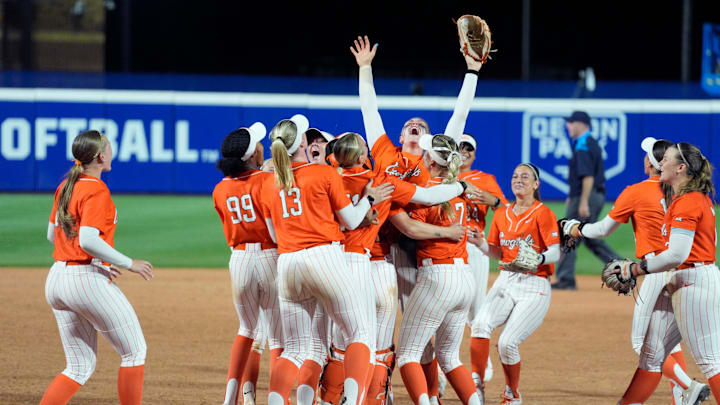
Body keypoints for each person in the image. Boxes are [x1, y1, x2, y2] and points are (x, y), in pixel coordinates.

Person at [352, 34, 482, 402]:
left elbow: (460, 117)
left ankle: (429, 394)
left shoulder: (433, 162)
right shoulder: (384, 153)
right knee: (384, 329)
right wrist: (365, 70)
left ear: (428, 140)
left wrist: (471, 72)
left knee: (419, 339)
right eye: (410, 123)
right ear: (401, 135)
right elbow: (369, 111)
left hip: (420, 255)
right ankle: (382, 390)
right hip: (387, 251)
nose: (416, 125)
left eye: (422, 125)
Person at [258, 114, 393, 405]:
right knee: (358, 333)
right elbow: (352, 219)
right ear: (303, 143)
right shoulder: (323, 174)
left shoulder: (269, 184)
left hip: (288, 264)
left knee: (295, 349)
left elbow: (273, 232)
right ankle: (353, 401)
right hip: (325, 258)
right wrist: (367, 199)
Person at [565, 137, 709, 404]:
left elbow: (601, 230)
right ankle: (682, 393)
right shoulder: (680, 191)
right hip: (682, 269)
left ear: (651, 163)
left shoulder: (638, 191)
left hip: (655, 270)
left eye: (648, 155)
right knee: (668, 342)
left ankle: (688, 386)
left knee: (644, 344)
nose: (645, 158)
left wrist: (576, 228)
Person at [40, 130, 154, 405]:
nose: (113, 152)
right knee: (134, 352)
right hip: (84, 280)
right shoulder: (95, 189)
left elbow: (51, 234)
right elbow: (88, 239)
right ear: (101, 156)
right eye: (110, 148)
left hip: (57, 278)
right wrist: (128, 263)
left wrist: (98, 261)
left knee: (78, 367)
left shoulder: (67, 184)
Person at [613, 142, 718, 404]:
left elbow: (676, 255)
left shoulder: (688, 202)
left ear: (681, 168)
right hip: (680, 280)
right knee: (650, 353)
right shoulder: (683, 199)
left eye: (667, 159)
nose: (661, 163)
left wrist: (636, 268)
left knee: (710, 362)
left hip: (695, 284)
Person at [396, 133, 482, 405]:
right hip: (464, 278)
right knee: (449, 356)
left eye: (425, 154)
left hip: (438, 277)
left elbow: (412, 228)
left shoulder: (428, 191)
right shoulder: (457, 188)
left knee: (408, 354)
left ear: (431, 162)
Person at [470, 163, 561, 404]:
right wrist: (480, 243)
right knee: (479, 324)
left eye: (524, 176)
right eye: (514, 176)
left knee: (507, 343)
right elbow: (498, 252)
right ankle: (476, 386)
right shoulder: (501, 213)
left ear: (535, 184)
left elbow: (555, 252)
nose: (518, 179)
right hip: (506, 280)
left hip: (535, 284)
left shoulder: (544, 213)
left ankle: (512, 394)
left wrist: (538, 258)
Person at [212, 124, 285, 405]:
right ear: (254, 153)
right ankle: (277, 399)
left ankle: (232, 399)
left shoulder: (220, 189)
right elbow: (274, 229)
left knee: (247, 330)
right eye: (258, 144)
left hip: (239, 259)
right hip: (269, 257)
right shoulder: (267, 181)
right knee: (278, 338)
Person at [458, 133, 508, 385]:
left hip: (474, 247)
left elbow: (508, 211)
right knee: (446, 310)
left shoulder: (485, 179)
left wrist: (495, 200)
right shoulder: (440, 174)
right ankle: (445, 370)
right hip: (442, 248)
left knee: (477, 309)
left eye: (469, 148)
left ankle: (482, 362)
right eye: (460, 147)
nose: (464, 151)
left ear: (475, 154)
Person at [552, 110, 620, 290]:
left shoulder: (583, 145)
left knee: (569, 234)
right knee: (589, 235)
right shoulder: (589, 143)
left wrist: (582, 202)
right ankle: (621, 267)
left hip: (587, 196)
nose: (568, 126)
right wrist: (572, 196)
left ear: (580, 124)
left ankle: (566, 279)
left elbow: (588, 176)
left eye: (571, 122)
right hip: (590, 195)